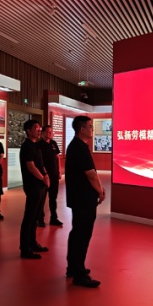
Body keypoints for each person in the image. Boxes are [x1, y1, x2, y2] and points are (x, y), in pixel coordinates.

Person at [65, 116, 105, 288]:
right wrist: (100, 191)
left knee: (77, 233)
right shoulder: (79, 148)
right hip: (83, 199)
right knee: (82, 235)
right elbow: (91, 174)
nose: (92, 129)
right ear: (82, 129)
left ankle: (73, 267)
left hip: (78, 198)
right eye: (90, 126)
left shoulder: (76, 146)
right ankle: (79, 274)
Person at [18, 120, 50, 259]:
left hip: (40, 185)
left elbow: (40, 164)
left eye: (39, 127)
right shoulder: (27, 146)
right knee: (29, 217)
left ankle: (32, 243)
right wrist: (43, 178)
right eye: (36, 128)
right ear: (28, 130)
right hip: (33, 185)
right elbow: (31, 167)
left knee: (36, 216)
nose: (39, 130)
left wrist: (46, 175)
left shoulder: (35, 145)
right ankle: (25, 248)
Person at [38, 125, 63, 227]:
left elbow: (57, 157)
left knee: (53, 198)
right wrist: (44, 174)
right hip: (44, 176)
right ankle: (40, 219)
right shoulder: (39, 145)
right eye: (48, 132)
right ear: (43, 132)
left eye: (51, 132)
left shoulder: (53, 143)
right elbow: (39, 162)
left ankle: (54, 218)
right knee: (42, 199)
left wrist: (59, 171)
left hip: (54, 175)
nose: (50, 134)